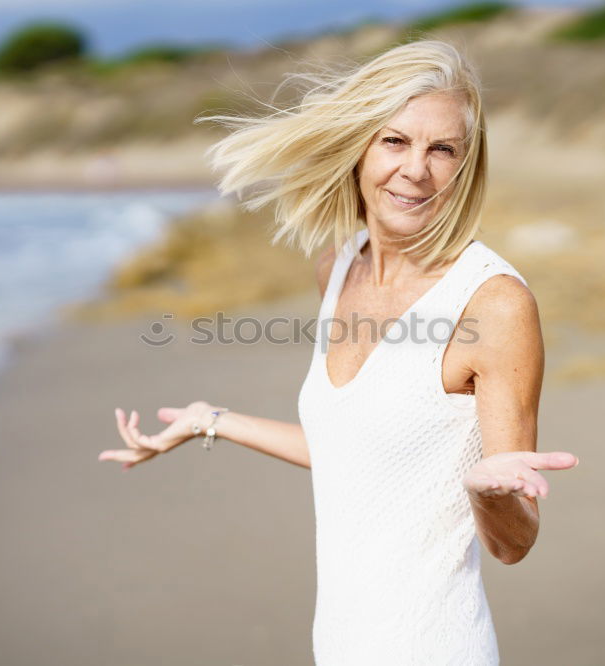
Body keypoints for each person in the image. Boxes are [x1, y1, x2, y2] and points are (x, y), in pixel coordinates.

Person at [99, 39, 580, 665]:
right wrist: (210, 421)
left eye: (443, 149)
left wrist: (487, 494)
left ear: (466, 166)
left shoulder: (491, 304)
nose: (416, 169)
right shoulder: (339, 266)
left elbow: (515, 542)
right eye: (394, 141)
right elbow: (353, 454)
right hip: (341, 644)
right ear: (357, 145)